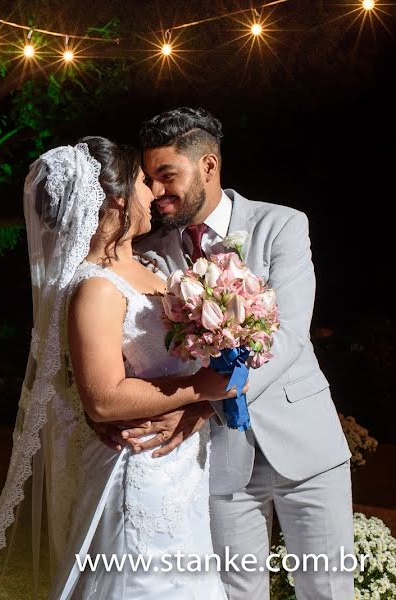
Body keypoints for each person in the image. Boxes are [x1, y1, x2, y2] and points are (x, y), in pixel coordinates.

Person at [0, 137, 239, 599]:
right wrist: (202, 388)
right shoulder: (96, 288)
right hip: (137, 469)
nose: (152, 191)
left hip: (182, 472)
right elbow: (103, 397)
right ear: (115, 197)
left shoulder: (151, 267)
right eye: (141, 182)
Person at [111, 107, 353, 600]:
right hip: (219, 462)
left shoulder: (281, 225)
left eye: (167, 176)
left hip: (306, 447)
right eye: (151, 179)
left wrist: (203, 405)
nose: (157, 192)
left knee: (327, 590)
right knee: (236, 593)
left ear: (208, 165)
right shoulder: (152, 250)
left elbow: (288, 338)